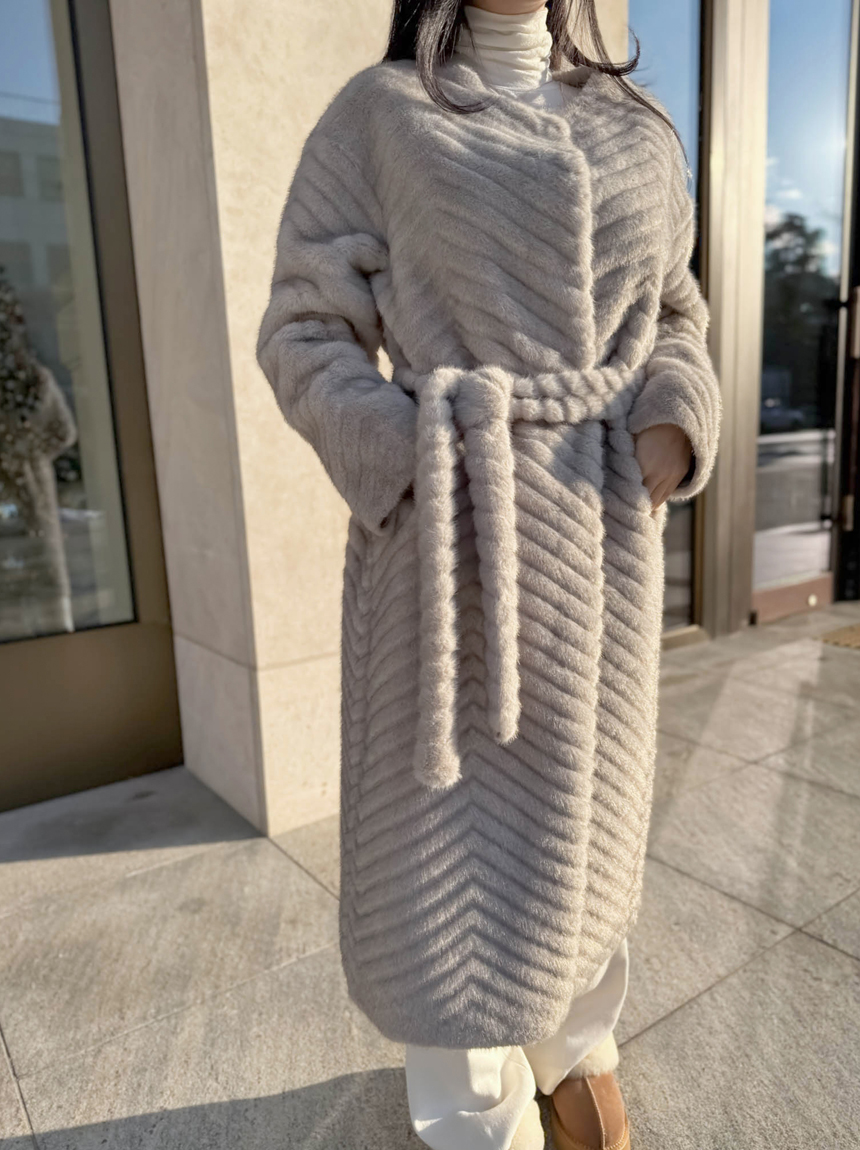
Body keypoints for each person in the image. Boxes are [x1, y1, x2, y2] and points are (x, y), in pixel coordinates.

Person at [257, 2, 721, 1146]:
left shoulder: (637, 129)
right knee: (445, 860)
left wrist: (671, 418)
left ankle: (574, 1046)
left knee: (587, 829)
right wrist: (405, 462)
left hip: (600, 550)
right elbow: (303, 327)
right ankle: (473, 1114)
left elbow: (674, 311)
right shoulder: (380, 117)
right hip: (450, 556)